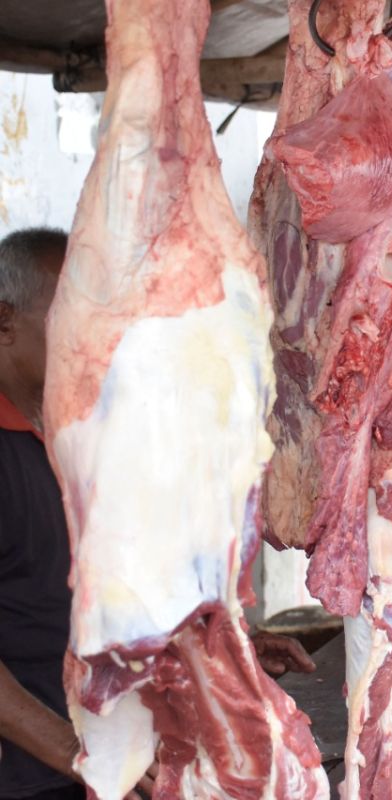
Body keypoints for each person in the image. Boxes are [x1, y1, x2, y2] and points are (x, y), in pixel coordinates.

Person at [0, 228, 315, 800]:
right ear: (4, 322)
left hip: (128, 759)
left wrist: (212, 645)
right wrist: (80, 755)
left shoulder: (82, 437)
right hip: (36, 778)